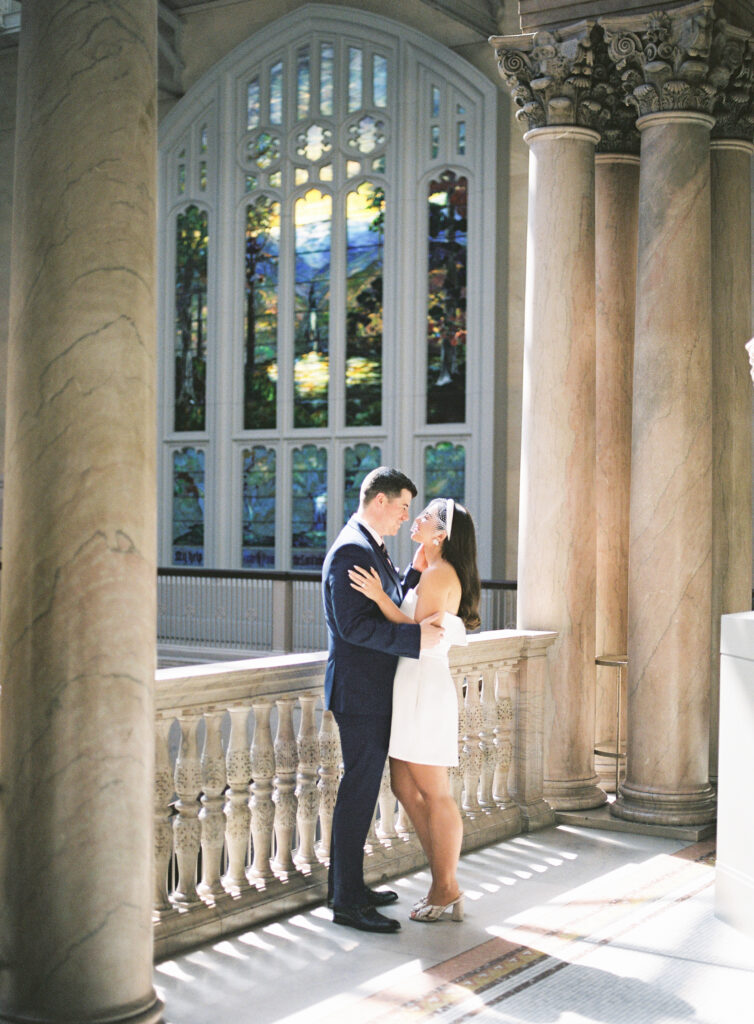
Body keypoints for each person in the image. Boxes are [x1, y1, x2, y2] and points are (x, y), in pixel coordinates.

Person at [322, 467, 445, 934]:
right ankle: (346, 902)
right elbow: (352, 626)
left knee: (363, 791)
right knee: (358, 792)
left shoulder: (368, 543)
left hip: (371, 689)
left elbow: (388, 599)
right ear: (379, 501)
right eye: (402, 507)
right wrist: (417, 641)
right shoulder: (352, 549)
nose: (405, 516)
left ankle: (349, 887)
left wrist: (412, 571)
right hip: (359, 692)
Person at [348, 497, 480, 923]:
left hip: (424, 684)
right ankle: (444, 878)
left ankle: (446, 886)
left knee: (435, 792)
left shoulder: (442, 574)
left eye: (425, 516)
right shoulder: (431, 569)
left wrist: (376, 596)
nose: (416, 518)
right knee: (405, 787)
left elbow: (414, 632)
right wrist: (415, 569)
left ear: (441, 533)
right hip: (408, 683)